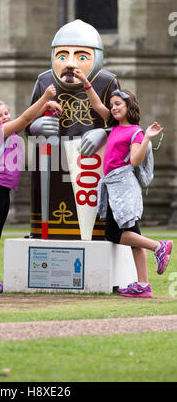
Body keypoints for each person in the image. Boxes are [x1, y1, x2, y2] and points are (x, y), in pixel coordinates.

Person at [77, 69, 173, 298]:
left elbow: (134, 160)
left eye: (118, 104)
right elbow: (96, 104)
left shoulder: (135, 132)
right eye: (112, 105)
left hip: (123, 188)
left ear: (129, 106)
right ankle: (143, 285)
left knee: (113, 233)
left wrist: (147, 136)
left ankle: (159, 247)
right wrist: (83, 81)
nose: (113, 108)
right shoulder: (114, 126)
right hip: (113, 187)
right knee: (132, 234)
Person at [28, 19, 121, 240]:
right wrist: (37, 126)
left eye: (81, 56)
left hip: (91, 163)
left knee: (92, 219)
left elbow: (124, 123)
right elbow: (27, 120)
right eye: (62, 56)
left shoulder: (107, 82)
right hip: (52, 163)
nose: (70, 63)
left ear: (96, 57)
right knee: (51, 212)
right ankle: (45, 235)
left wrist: (104, 133)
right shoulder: (44, 81)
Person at [0, 85, 62, 294]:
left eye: (6, 113)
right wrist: (46, 96)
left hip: (2, 189)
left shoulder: (10, 130)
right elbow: (25, 119)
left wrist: (47, 105)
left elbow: (29, 119)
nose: (4, 117)